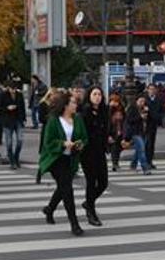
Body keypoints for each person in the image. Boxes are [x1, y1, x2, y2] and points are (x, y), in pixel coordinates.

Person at [39, 92, 88, 236]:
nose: (75, 105)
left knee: (62, 187)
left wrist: (80, 144)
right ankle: (74, 224)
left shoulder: (77, 119)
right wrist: (62, 144)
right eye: (73, 102)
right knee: (67, 190)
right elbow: (48, 142)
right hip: (56, 159)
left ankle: (49, 209)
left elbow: (84, 137)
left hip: (70, 159)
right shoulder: (54, 120)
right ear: (65, 105)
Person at [80, 86, 109, 226]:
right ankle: (91, 212)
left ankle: (88, 202)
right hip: (88, 152)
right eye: (94, 94)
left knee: (103, 182)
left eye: (99, 94)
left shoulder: (104, 111)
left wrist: (108, 138)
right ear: (89, 96)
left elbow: (106, 129)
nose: (97, 97)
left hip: (100, 151)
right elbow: (84, 131)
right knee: (91, 182)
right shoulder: (85, 111)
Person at [122, 96, 152, 175]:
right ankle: (145, 168)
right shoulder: (132, 108)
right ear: (137, 101)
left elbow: (149, 119)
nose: (142, 103)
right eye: (140, 101)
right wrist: (140, 117)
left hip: (143, 132)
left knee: (139, 150)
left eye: (143, 101)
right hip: (135, 132)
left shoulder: (144, 109)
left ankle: (133, 165)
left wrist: (147, 112)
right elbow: (129, 120)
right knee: (142, 150)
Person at [35, 88, 58, 184]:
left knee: (55, 154)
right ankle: (39, 173)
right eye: (53, 95)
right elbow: (40, 119)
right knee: (45, 153)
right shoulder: (43, 104)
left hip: (55, 130)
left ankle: (57, 175)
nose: (54, 97)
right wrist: (49, 118)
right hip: (47, 130)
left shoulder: (56, 105)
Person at [0, 81, 25, 169]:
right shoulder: (4, 95)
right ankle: (12, 161)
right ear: (8, 88)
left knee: (20, 140)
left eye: (14, 89)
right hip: (8, 120)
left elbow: (22, 107)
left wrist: (24, 119)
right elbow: (0, 108)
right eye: (11, 89)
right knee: (9, 142)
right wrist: (7, 108)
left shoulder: (19, 95)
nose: (13, 91)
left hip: (18, 119)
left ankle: (16, 157)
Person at [144, 84, 163, 168]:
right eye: (150, 89)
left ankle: (149, 161)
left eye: (153, 89)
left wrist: (159, 119)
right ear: (147, 90)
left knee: (151, 144)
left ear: (156, 90)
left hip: (153, 125)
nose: (152, 91)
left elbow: (160, 112)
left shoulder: (159, 99)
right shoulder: (144, 99)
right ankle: (145, 162)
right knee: (146, 144)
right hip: (144, 125)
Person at [108, 93, 125, 172]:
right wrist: (110, 107)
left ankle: (116, 162)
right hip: (112, 130)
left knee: (118, 147)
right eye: (112, 100)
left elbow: (125, 118)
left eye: (116, 101)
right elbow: (107, 120)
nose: (114, 103)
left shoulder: (121, 108)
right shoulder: (109, 109)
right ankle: (115, 164)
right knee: (114, 148)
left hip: (120, 129)